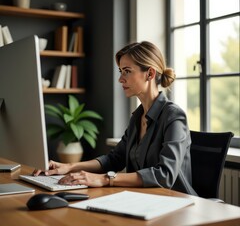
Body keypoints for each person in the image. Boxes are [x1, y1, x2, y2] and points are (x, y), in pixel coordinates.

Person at [34, 41, 197, 195]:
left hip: (176, 203)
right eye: (121, 71)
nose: (120, 79)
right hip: (145, 200)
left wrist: (105, 179)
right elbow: (114, 159)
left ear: (150, 74)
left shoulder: (174, 116)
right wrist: (69, 167)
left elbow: (165, 175)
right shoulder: (137, 117)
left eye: (127, 71)